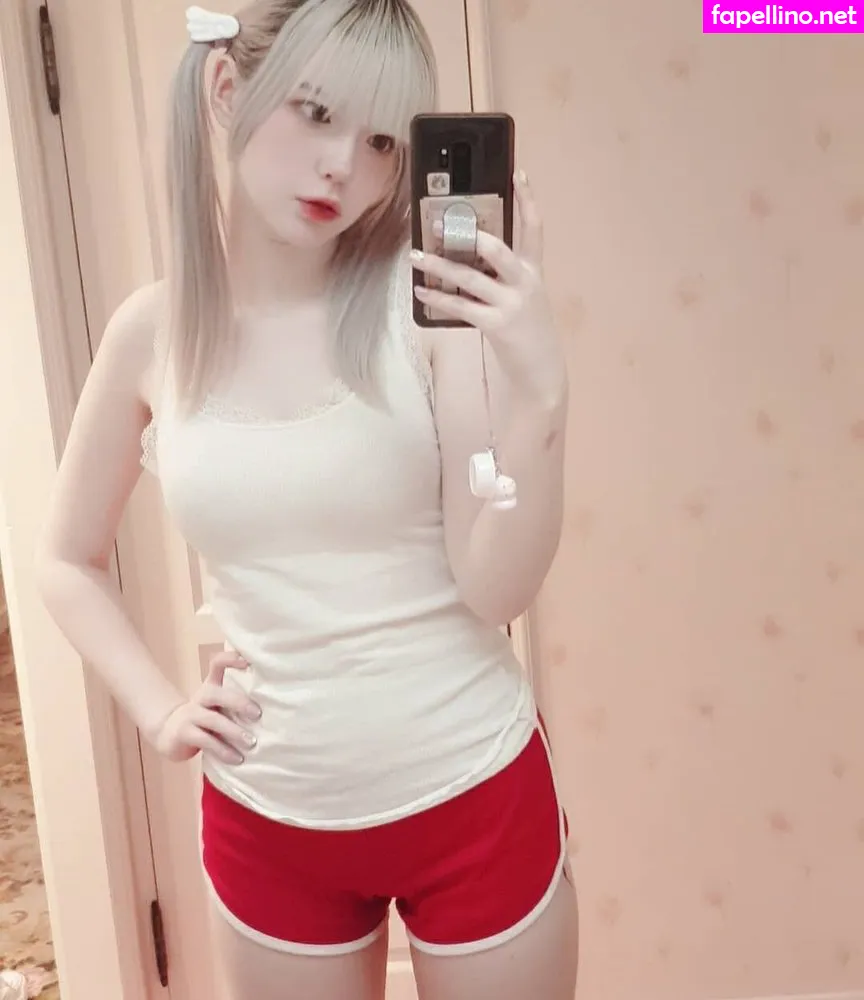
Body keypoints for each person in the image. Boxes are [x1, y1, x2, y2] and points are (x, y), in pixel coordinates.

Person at [37, 1, 576, 997]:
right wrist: (161, 712)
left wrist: (540, 397)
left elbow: (495, 585)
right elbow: (65, 560)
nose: (343, 168)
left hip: (471, 788)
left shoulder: (427, 306)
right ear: (226, 87)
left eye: (380, 142)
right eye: (317, 113)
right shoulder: (150, 334)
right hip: (270, 816)